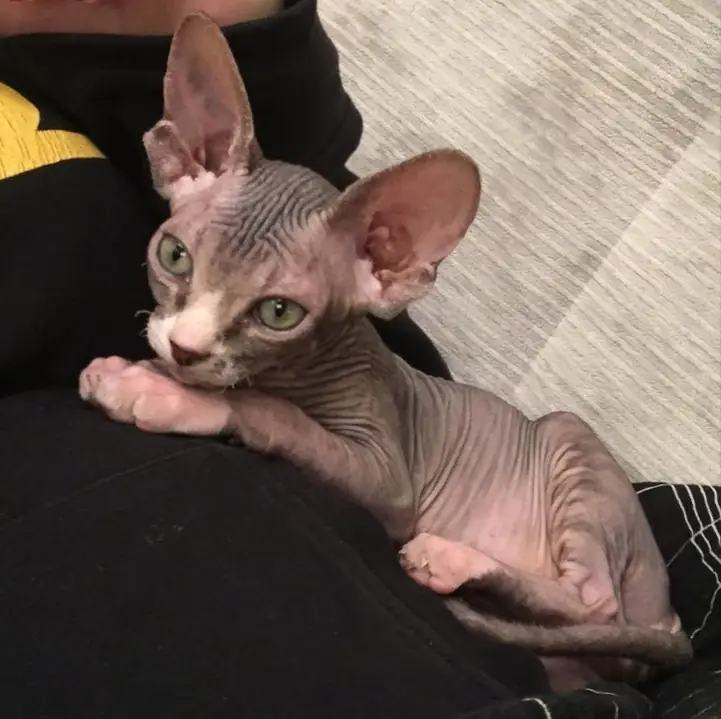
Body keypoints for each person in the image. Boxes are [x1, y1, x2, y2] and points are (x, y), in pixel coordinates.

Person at [0, 2, 718, 717]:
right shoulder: (213, 213)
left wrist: (231, 413)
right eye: (177, 259)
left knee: (563, 433)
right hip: (483, 643)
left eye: (276, 311)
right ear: (182, 155)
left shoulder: (341, 351)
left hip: (584, 582)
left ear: (385, 266)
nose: (185, 336)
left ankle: (569, 603)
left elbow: (394, 497)